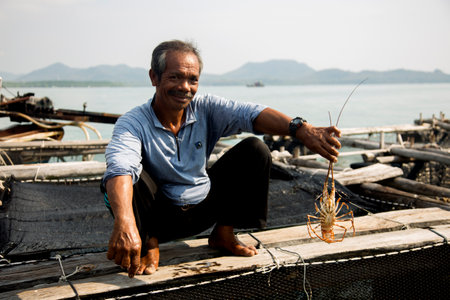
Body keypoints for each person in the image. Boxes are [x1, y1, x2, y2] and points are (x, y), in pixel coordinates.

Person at [102, 40, 341, 278]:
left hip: (202, 209)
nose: (185, 87)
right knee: (126, 176)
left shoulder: (206, 108)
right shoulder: (132, 122)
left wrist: (299, 129)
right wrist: (124, 222)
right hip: (158, 219)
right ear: (154, 77)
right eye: (175, 77)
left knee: (256, 149)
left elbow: (251, 113)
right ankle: (148, 244)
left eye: (192, 79)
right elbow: (120, 167)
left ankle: (224, 233)